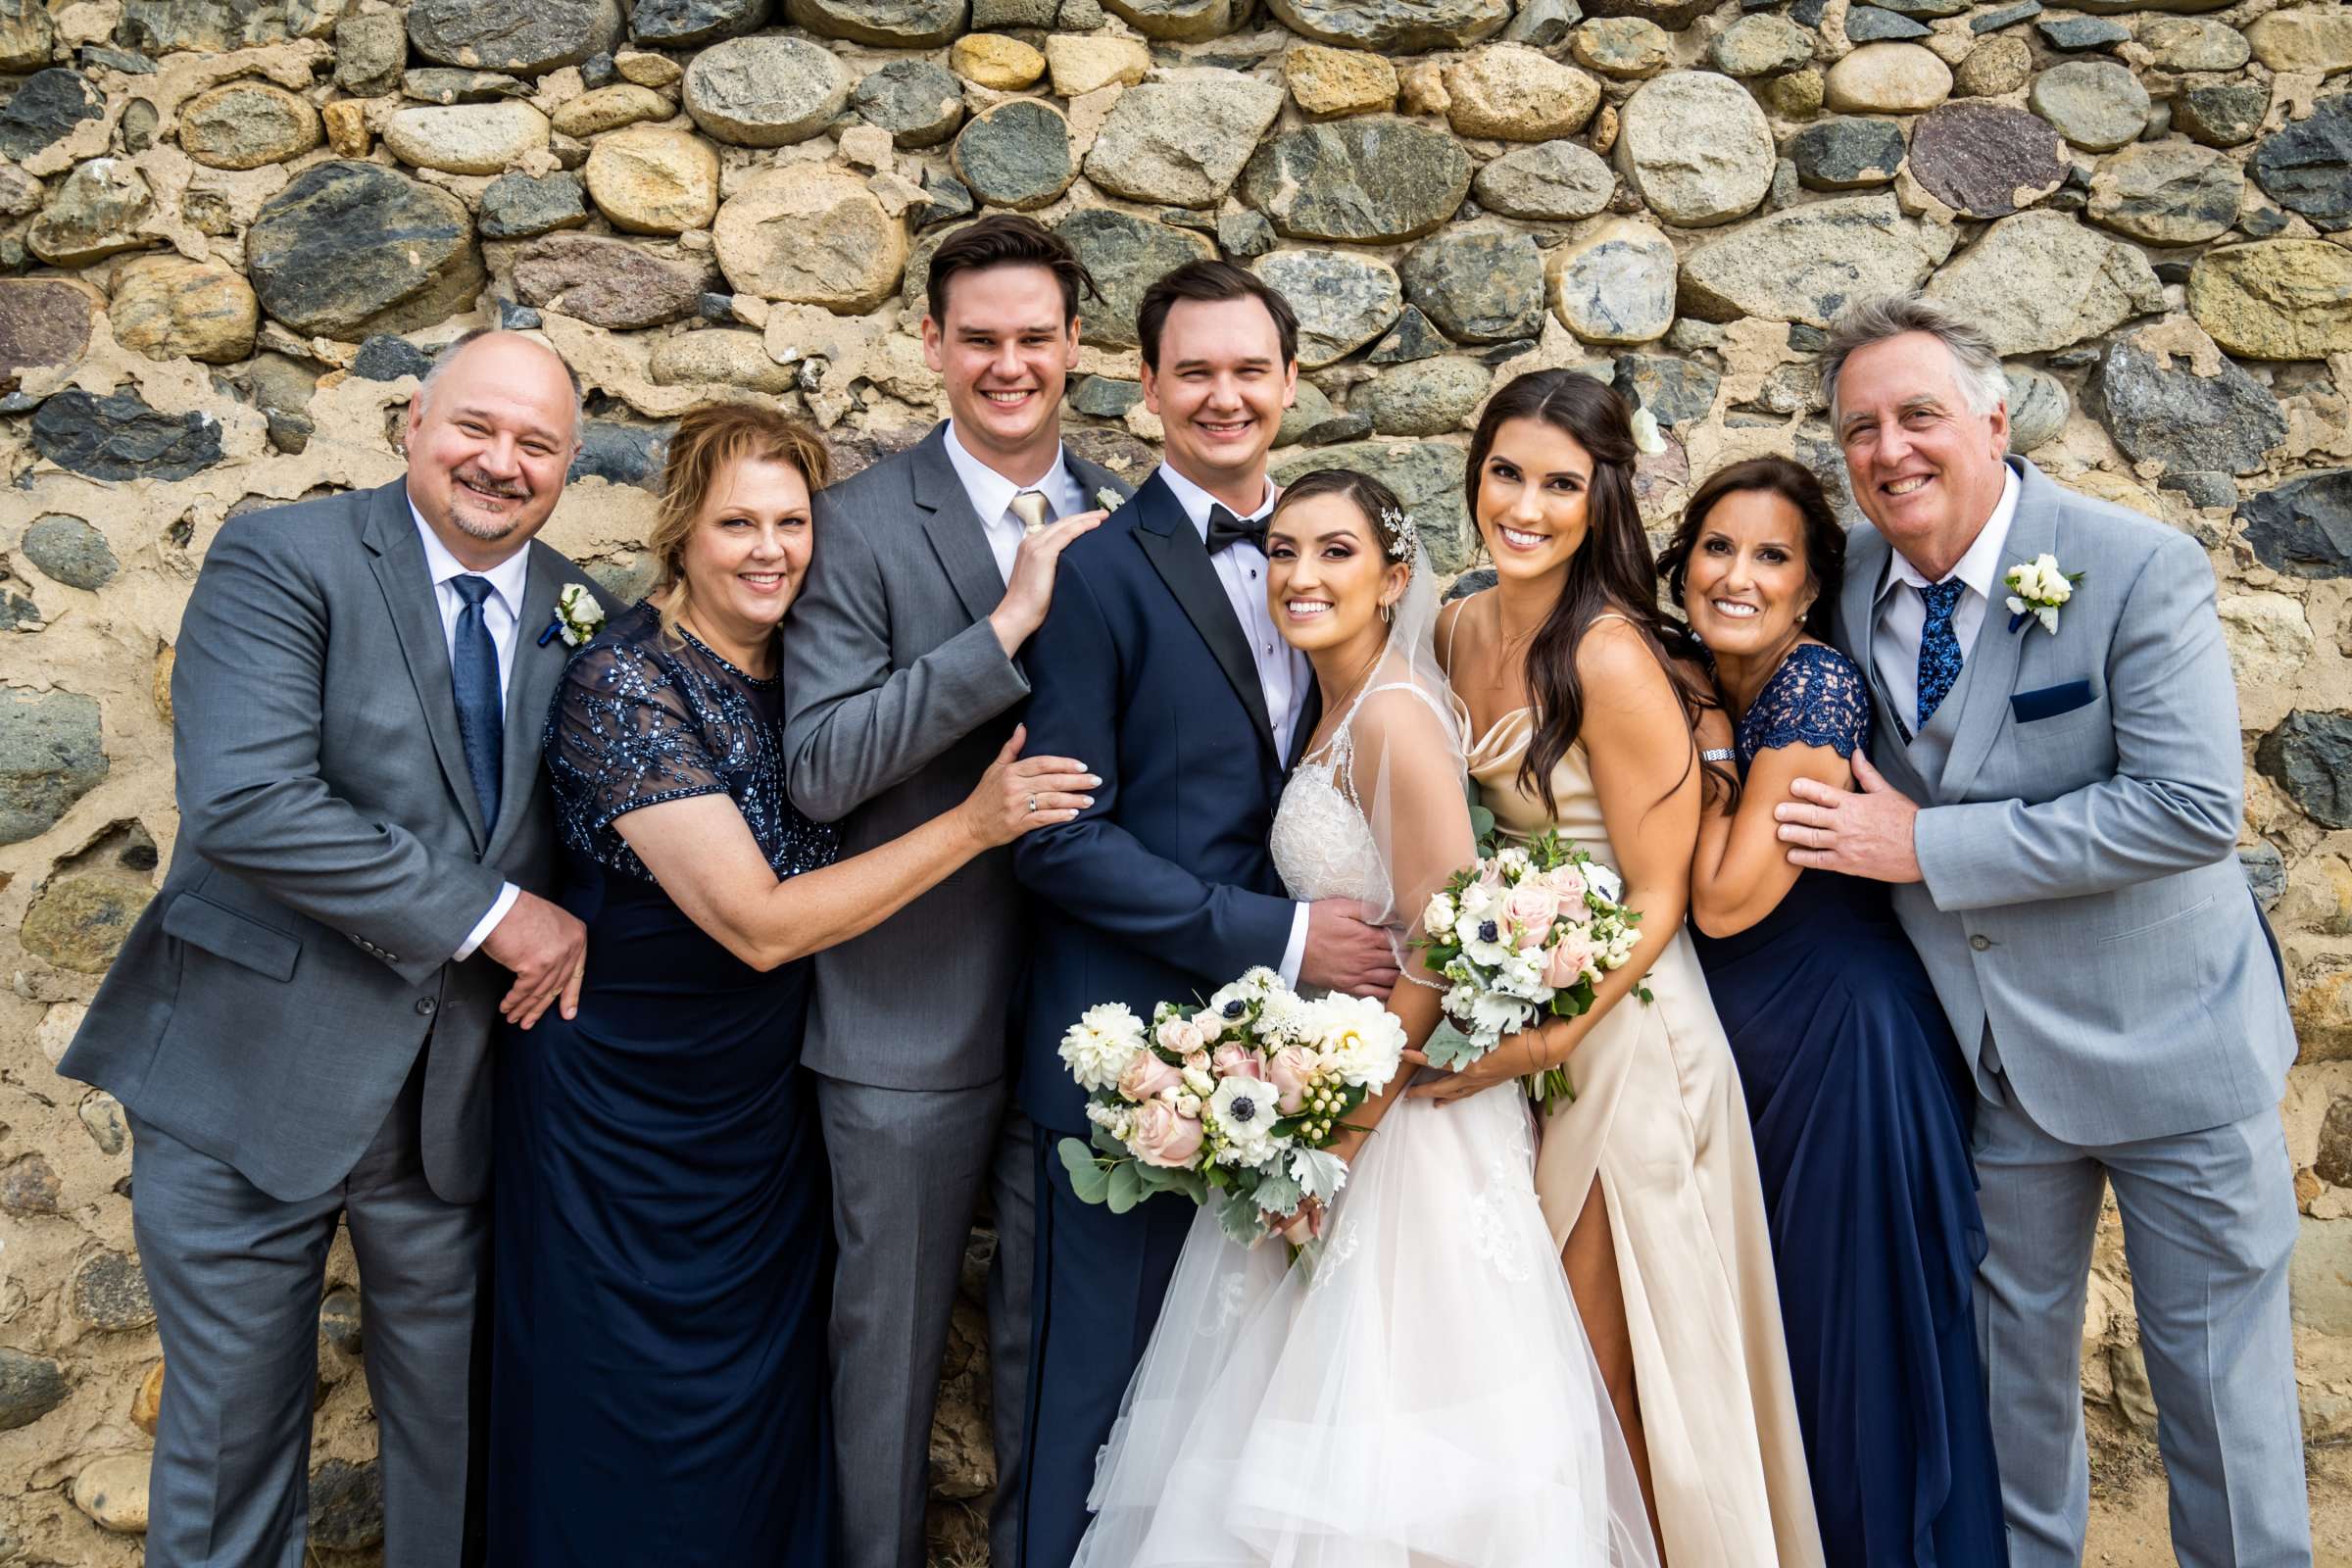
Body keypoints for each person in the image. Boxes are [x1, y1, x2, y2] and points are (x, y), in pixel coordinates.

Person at [486, 401, 1094, 1565]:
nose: (770, 548)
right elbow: (759, 926)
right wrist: (973, 826)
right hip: (626, 1096)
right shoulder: (628, 684)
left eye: (791, 521)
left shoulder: (800, 672)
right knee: (622, 1406)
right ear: (681, 535)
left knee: (760, 1408)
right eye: (736, 524)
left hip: (762, 1090)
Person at [1776, 293, 2308, 1568]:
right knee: (2010, 1407)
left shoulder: (2134, 565)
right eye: (1860, 428)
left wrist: (1928, 848)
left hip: (2176, 1052)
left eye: (1918, 415)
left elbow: (2188, 808)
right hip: (1994, 1071)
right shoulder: (1839, 583)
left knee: (2221, 1407)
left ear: (1993, 419)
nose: (1890, 449)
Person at [56, 328, 603, 1566]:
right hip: (245, 1080)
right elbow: (248, 803)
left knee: (455, 1451)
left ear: (569, 464)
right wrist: (493, 916)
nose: (500, 463)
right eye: (477, 426)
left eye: (537, 444)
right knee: (229, 1453)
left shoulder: (586, 610)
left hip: (454, 1107)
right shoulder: (282, 557)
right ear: (413, 420)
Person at [1073, 469, 1660, 1568]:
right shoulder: (1329, 706)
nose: (1301, 575)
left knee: (1401, 1466)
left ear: (1396, 579)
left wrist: (1341, 1132)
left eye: (1336, 552)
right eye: (1284, 551)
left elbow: (1444, 938)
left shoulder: (1392, 714)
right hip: (1336, 1094)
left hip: (1399, 1131)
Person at [1009, 260, 1401, 1568]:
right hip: (1138, 1065)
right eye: (1196, 371)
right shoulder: (1097, 573)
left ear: (1291, 384)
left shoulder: (1346, 556)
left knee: (1255, 1430)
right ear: (1147, 389)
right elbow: (1059, 841)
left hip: (1314, 1075)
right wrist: (1283, 939)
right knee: (1098, 1418)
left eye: (1251, 370)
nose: (1225, 396)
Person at [1428, 369, 1824, 1568]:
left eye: (1560, 482)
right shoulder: (1452, 623)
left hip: (1625, 1038)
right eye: (1508, 472)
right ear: (1477, 473)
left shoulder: (1607, 655)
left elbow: (1664, 900)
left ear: (1602, 496)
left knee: (1614, 1374)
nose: (1528, 504)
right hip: (1513, 1023)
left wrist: (1554, 1036)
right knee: (1516, 1366)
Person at [779, 213, 1128, 1568]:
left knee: (1065, 1371)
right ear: (931, 345)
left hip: (1087, 1028)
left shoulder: (1126, 515)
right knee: (886, 1371)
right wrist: (1002, 633)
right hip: (901, 1021)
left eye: (1033, 338)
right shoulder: (856, 528)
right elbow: (819, 766)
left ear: (1075, 348)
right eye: (978, 338)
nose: (1007, 363)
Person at [1661, 456, 2008, 1566]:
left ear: (1812, 588)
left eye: (1773, 555)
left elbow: (1722, 901)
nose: (1739, 575)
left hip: (1843, 1046)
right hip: (1762, 1044)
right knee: (1776, 1338)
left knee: (1847, 1340)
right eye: (1718, 547)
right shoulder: (1693, 671)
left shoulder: (1811, 688)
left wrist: (1711, 754)